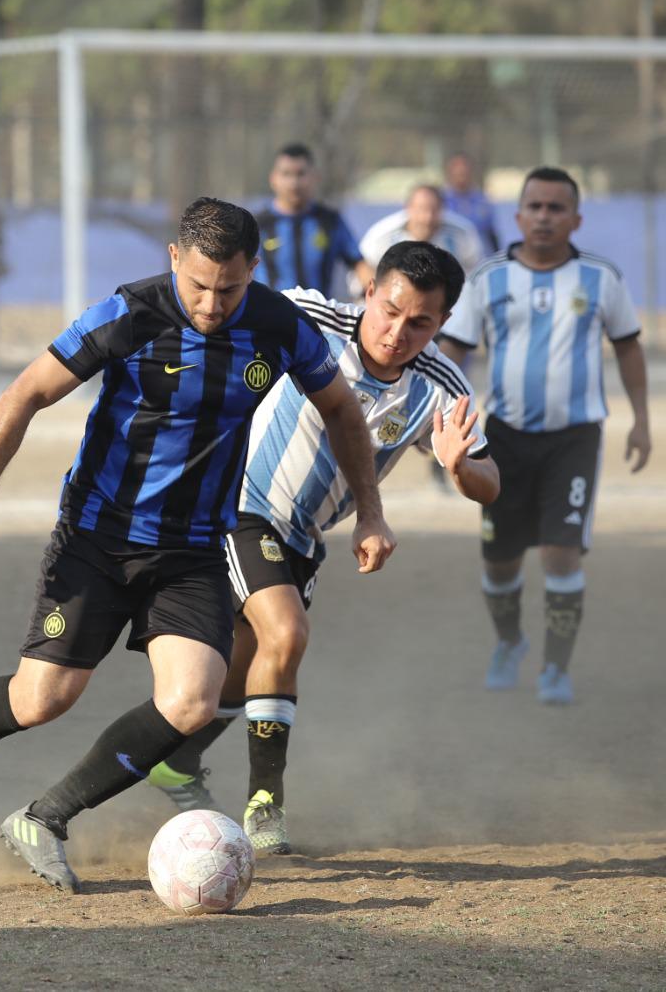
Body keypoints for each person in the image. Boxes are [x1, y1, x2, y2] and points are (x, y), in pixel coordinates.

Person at [0, 197, 393, 893]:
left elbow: (341, 412)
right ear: (174, 259)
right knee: (42, 699)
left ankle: (45, 818)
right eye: (199, 285)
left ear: (254, 271)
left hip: (196, 549)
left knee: (193, 702)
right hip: (98, 538)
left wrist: (370, 513)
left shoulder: (276, 324)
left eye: (230, 288)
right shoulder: (129, 314)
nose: (212, 305)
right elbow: (26, 393)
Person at [146, 241, 500, 853]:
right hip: (239, 505)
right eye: (390, 311)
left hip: (303, 538)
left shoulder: (441, 386)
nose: (397, 332)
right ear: (369, 292)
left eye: (420, 323)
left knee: (247, 661)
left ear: (442, 324)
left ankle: (172, 763)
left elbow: (492, 484)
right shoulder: (307, 316)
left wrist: (460, 465)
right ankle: (266, 806)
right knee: (287, 636)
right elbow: (216, 304)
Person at [436, 166, 651, 706]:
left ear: (576, 219)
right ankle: (510, 643)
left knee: (560, 553)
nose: (544, 217)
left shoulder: (602, 278)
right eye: (535, 207)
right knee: (500, 560)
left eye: (556, 208)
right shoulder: (487, 278)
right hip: (503, 438)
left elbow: (627, 344)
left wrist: (641, 419)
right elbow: (454, 352)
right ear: (518, 216)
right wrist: (440, 425)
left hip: (574, 438)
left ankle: (556, 669)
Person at [255, 143, 374, 297]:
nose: (294, 183)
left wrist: (376, 293)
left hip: (319, 317)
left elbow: (358, 263)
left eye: (301, 174)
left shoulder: (330, 221)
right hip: (269, 317)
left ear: (315, 177)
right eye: (286, 174)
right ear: (273, 179)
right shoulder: (258, 224)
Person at [358, 184, 485, 287]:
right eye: (421, 209)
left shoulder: (462, 234)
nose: (427, 218)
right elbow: (361, 272)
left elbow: (476, 275)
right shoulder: (382, 236)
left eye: (434, 210)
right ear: (408, 208)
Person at [443, 151, 500, 253]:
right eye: (458, 173)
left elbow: (491, 234)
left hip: (480, 261)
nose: (462, 176)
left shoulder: (482, 200)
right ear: (450, 173)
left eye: (464, 172)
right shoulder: (441, 201)